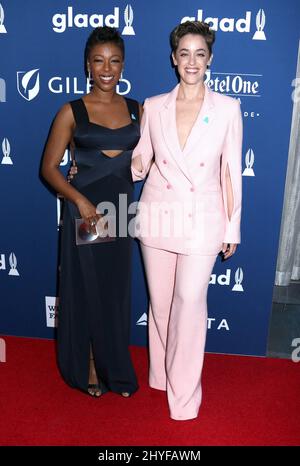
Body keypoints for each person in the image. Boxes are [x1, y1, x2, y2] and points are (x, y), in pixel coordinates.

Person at [131, 21, 243, 420]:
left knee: (190, 303)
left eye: (200, 54)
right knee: (160, 305)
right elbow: (139, 161)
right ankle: (161, 374)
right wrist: (97, 166)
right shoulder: (154, 105)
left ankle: (184, 397)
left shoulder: (228, 108)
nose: (191, 61)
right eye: (184, 53)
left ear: (210, 59)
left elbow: (230, 171)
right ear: (173, 59)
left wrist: (232, 227)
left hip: (203, 219)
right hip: (158, 215)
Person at [42, 26, 141, 398]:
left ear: (123, 65)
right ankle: (88, 367)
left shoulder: (137, 109)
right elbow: (49, 167)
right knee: (87, 288)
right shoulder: (72, 110)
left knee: (115, 291)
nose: (106, 68)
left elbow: (150, 159)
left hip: (120, 210)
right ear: (87, 65)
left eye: (114, 61)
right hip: (87, 214)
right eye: (99, 60)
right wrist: (80, 200)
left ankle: (115, 366)